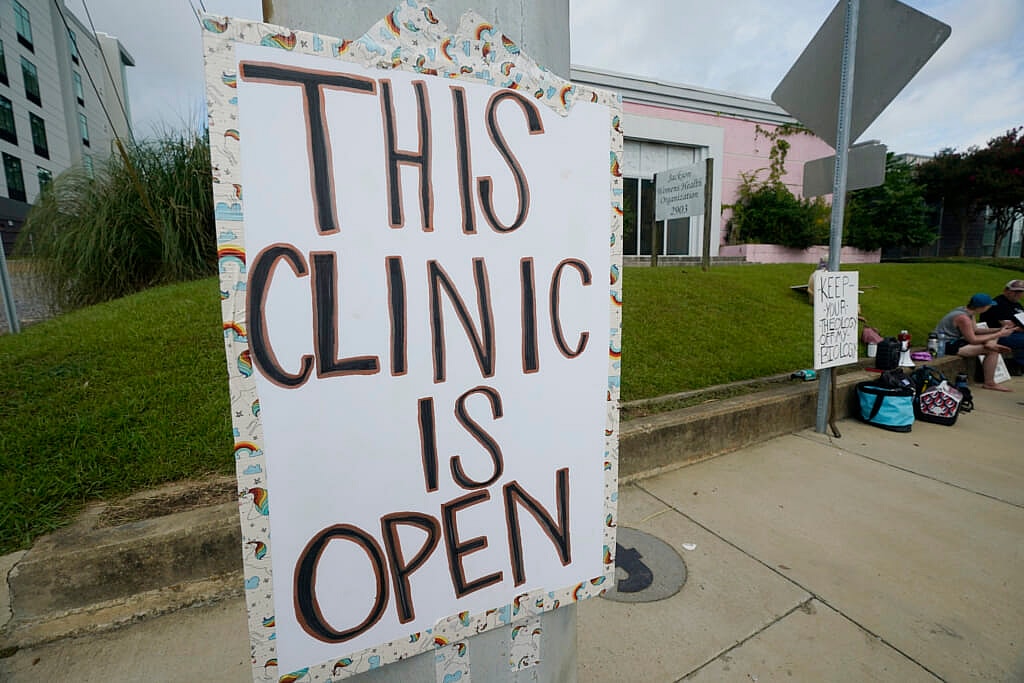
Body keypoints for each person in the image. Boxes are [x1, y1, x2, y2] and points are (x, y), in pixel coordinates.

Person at [933, 293, 1016, 392]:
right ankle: (990, 383)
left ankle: (990, 344)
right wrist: (999, 334)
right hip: (945, 345)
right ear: (982, 307)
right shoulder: (964, 318)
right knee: (993, 351)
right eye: (989, 306)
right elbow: (973, 339)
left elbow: (976, 330)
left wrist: (999, 329)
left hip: (954, 341)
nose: (990, 308)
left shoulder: (966, 311)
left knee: (991, 343)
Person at [979, 279, 1024, 375]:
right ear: (1006, 290)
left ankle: (1018, 365)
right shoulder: (998, 304)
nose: (1018, 294)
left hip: (1014, 334)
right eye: (1015, 291)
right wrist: (1018, 327)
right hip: (996, 336)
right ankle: (1018, 364)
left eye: (1021, 292)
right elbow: (1007, 326)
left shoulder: (1017, 305)